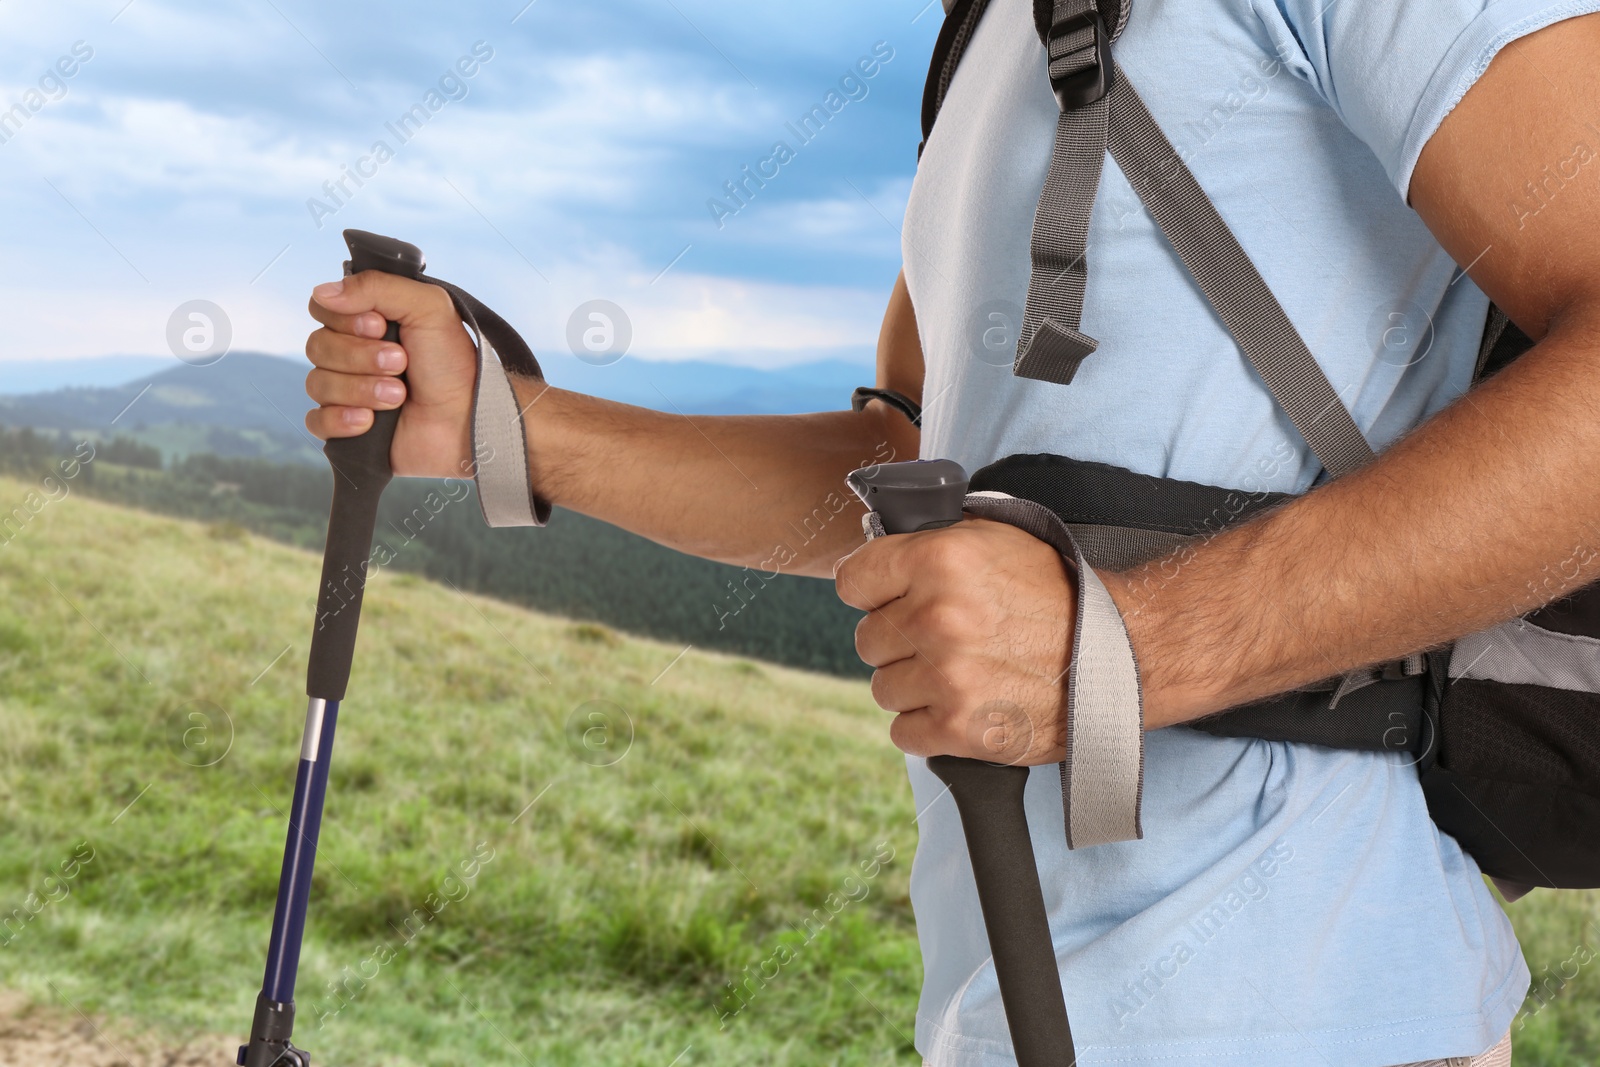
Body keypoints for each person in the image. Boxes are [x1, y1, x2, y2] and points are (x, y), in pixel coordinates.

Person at [300, 2, 1600, 1062]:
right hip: (1012, 995)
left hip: (1313, 1003)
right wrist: (514, 425)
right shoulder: (984, 31)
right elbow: (907, 466)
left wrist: (1133, 645)